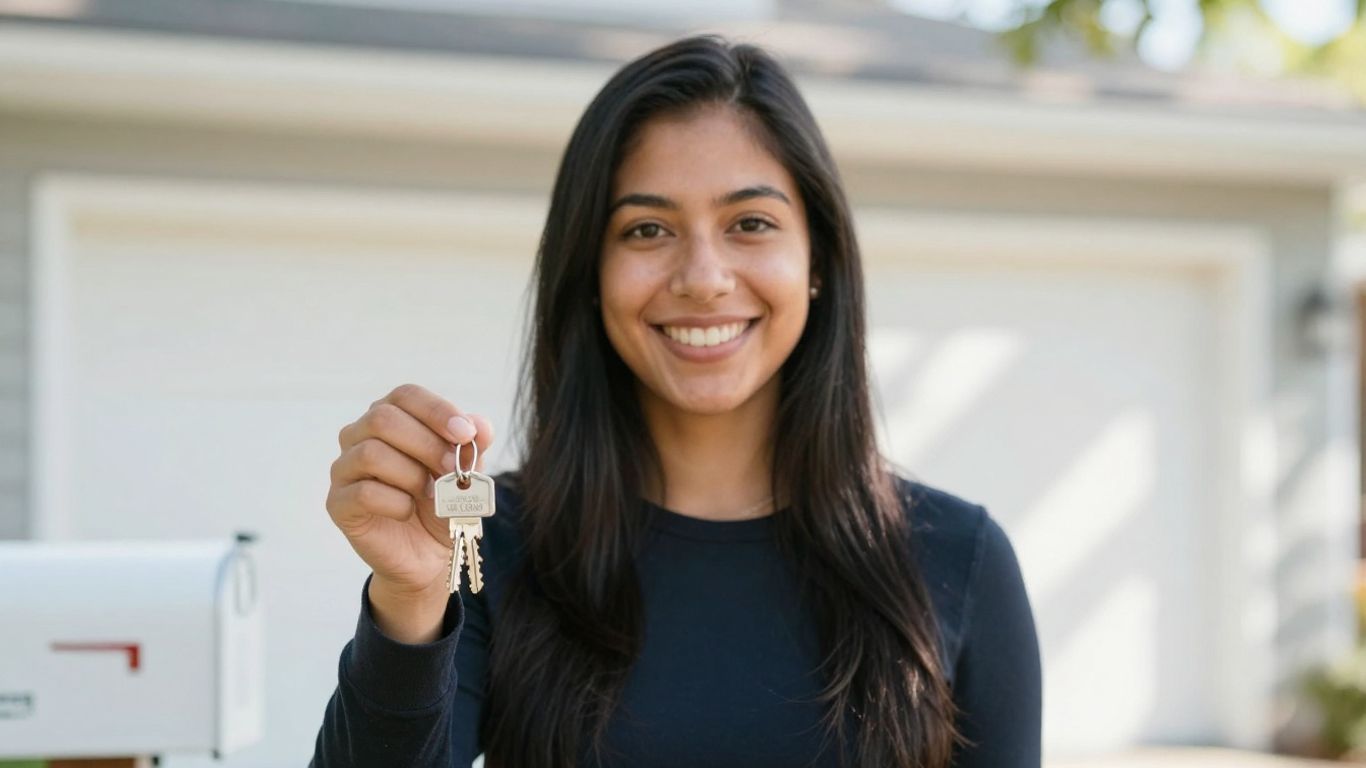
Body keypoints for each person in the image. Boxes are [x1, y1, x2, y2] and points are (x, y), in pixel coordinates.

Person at [310, 34, 1041, 768]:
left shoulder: (959, 560)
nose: (702, 276)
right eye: (647, 229)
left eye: (750, 223)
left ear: (818, 260)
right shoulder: (483, 552)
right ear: (589, 273)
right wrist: (407, 599)